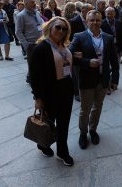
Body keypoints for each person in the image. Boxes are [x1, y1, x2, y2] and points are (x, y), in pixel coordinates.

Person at [29, 17, 77, 166]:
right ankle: (43, 144)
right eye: (58, 27)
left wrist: (75, 57)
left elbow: (63, 62)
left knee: (64, 123)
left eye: (64, 29)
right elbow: (34, 76)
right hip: (49, 93)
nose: (61, 31)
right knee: (48, 123)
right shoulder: (40, 48)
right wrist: (37, 98)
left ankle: (62, 151)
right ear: (50, 27)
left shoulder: (62, 45)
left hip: (66, 91)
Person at [69, 10, 119, 149]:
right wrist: (86, 62)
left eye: (98, 20)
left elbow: (114, 61)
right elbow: (69, 55)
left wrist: (115, 80)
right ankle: (83, 133)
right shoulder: (79, 36)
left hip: (103, 80)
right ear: (86, 21)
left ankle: (93, 130)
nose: (95, 22)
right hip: (86, 80)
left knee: (98, 107)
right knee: (85, 110)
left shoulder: (108, 38)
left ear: (101, 21)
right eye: (92, 20)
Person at [15, 0, 44, 82]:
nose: (35, 3)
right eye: (32, 2)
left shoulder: (37, 13)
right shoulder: (21, 16)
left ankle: (35, 77)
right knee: (32, 64)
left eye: (34, 1)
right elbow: (18, 32)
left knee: (41, 63)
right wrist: (26, 45)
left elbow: (41, 24)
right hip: (31, 44)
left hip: (41, 42)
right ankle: (32, 80)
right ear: (26, 4)